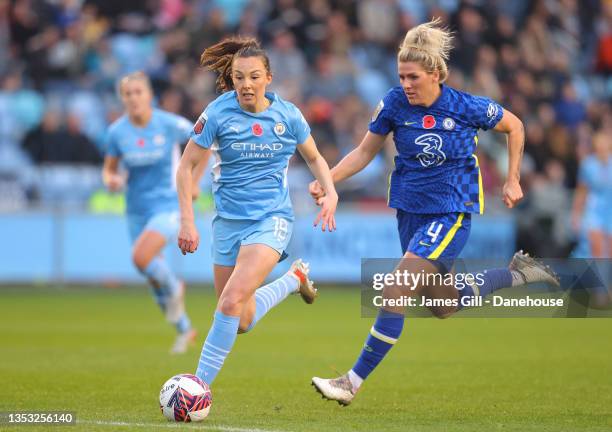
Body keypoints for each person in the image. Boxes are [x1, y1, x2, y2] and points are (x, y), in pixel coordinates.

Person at [309, 18, 559, 405]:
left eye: (412, 77)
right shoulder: (392, 103)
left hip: (451, 212)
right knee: (443, 304)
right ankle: (516, 275)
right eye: (401, 76)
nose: (406, 84)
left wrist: (512, 179)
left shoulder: (465, 106)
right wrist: (329, 180)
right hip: (410, 211)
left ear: (435, 74)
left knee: (396, 287)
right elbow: (363, 152)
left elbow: (516, 126)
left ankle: (350, 382)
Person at [175, 37, 338, 386]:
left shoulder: (288, 115)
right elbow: (186, 167)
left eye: (253, 76)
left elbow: (314, 157)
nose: (246, 84)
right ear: (231, 79)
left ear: (268, 77)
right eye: (238, 77)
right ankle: (293, 280)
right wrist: (187, 220)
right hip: (227, 225)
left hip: (271, 221)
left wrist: (331, 191)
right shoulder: (217, 113)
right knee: (242, 318)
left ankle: (197, 387)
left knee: (231, 301)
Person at [102, 71, 202, 354]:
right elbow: (109, 168)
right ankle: (185, 329)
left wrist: (193, 181)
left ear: (149, 96)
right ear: (122, 98)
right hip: (135, 210)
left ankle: (176, 286)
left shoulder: (168, 124)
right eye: (127, 93)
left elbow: (204, 139)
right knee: (152, 276)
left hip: (168, 205)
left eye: (138, 92)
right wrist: (110, 179)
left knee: (141, 257)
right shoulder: (116, 132)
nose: (133, 98)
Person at [571, 131, 612, 258]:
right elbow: (581, 191)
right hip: (594, 208)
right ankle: (600, 276)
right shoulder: (588, 164)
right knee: (597, 247)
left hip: (610, 207)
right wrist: (576, 214)